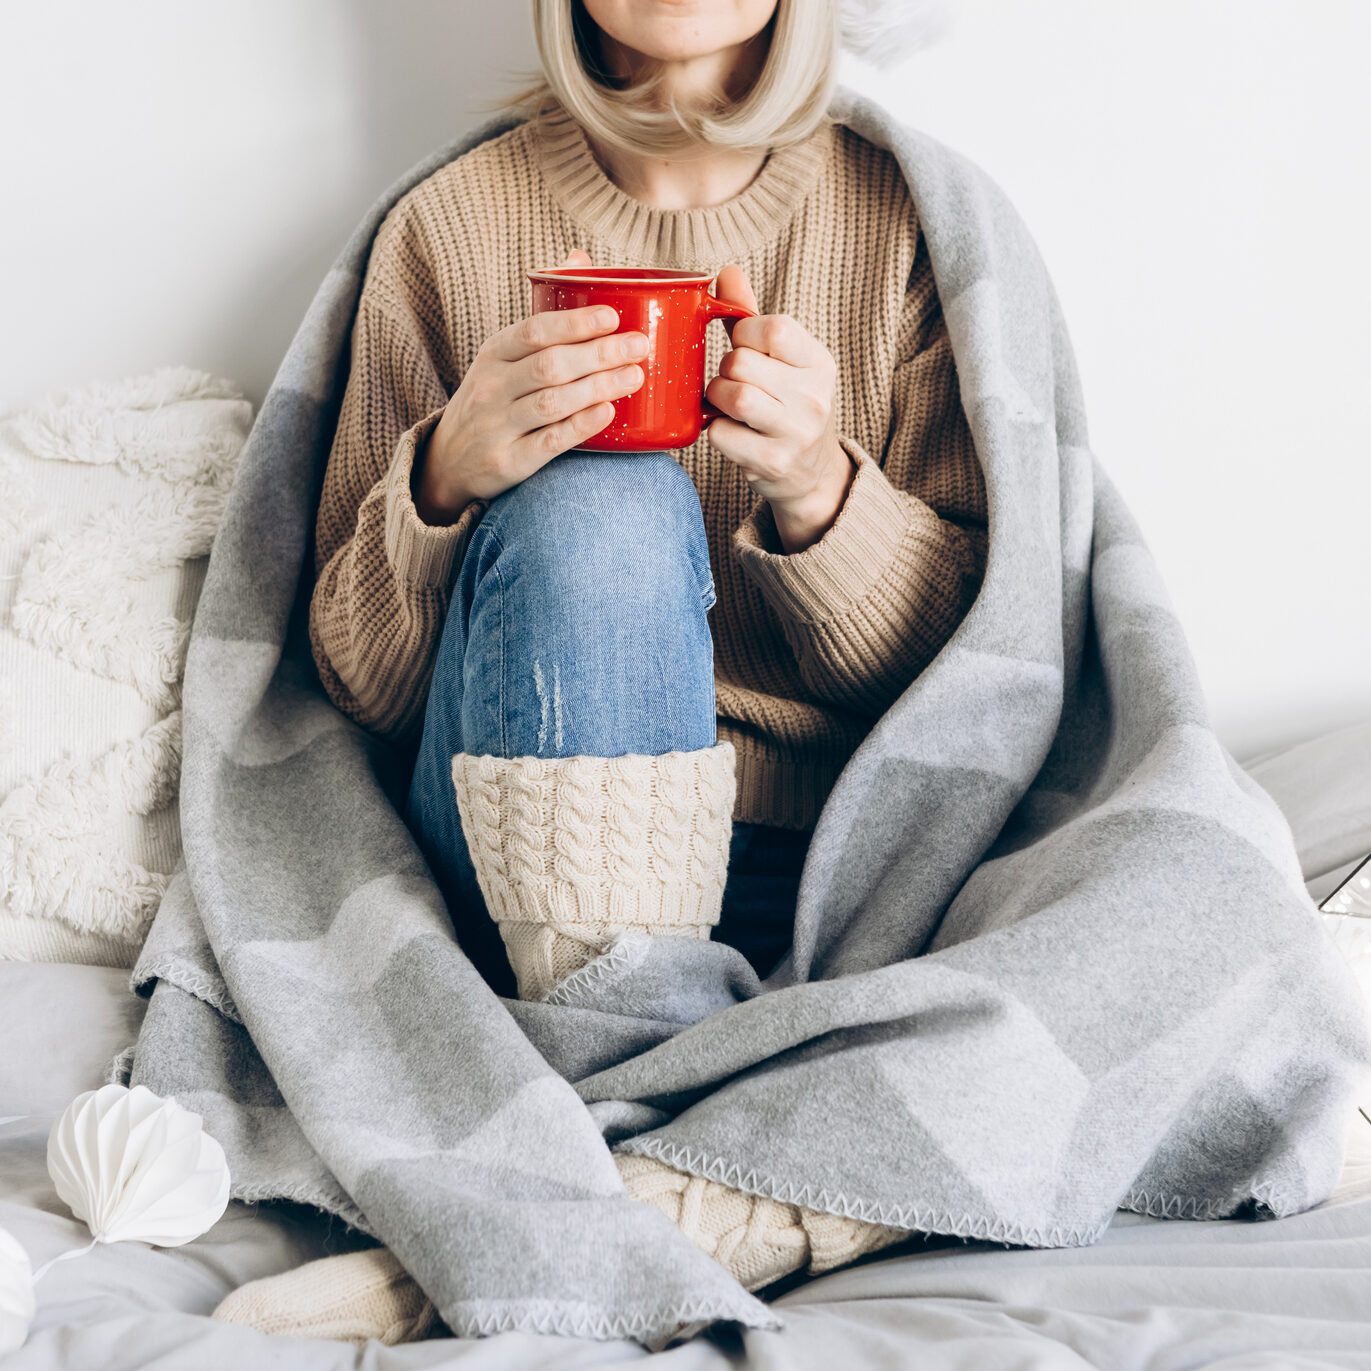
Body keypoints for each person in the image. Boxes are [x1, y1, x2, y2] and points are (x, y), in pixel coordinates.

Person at [212, 0, 987, 1345]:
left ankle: (560, 1205)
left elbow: (983, 690)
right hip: (516, 877)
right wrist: (445, 479)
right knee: (604, 498)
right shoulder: (449, 227)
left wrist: (820, 488)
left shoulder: (911, 224)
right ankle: (669, 1106)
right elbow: (352, 690)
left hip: (819, 881)